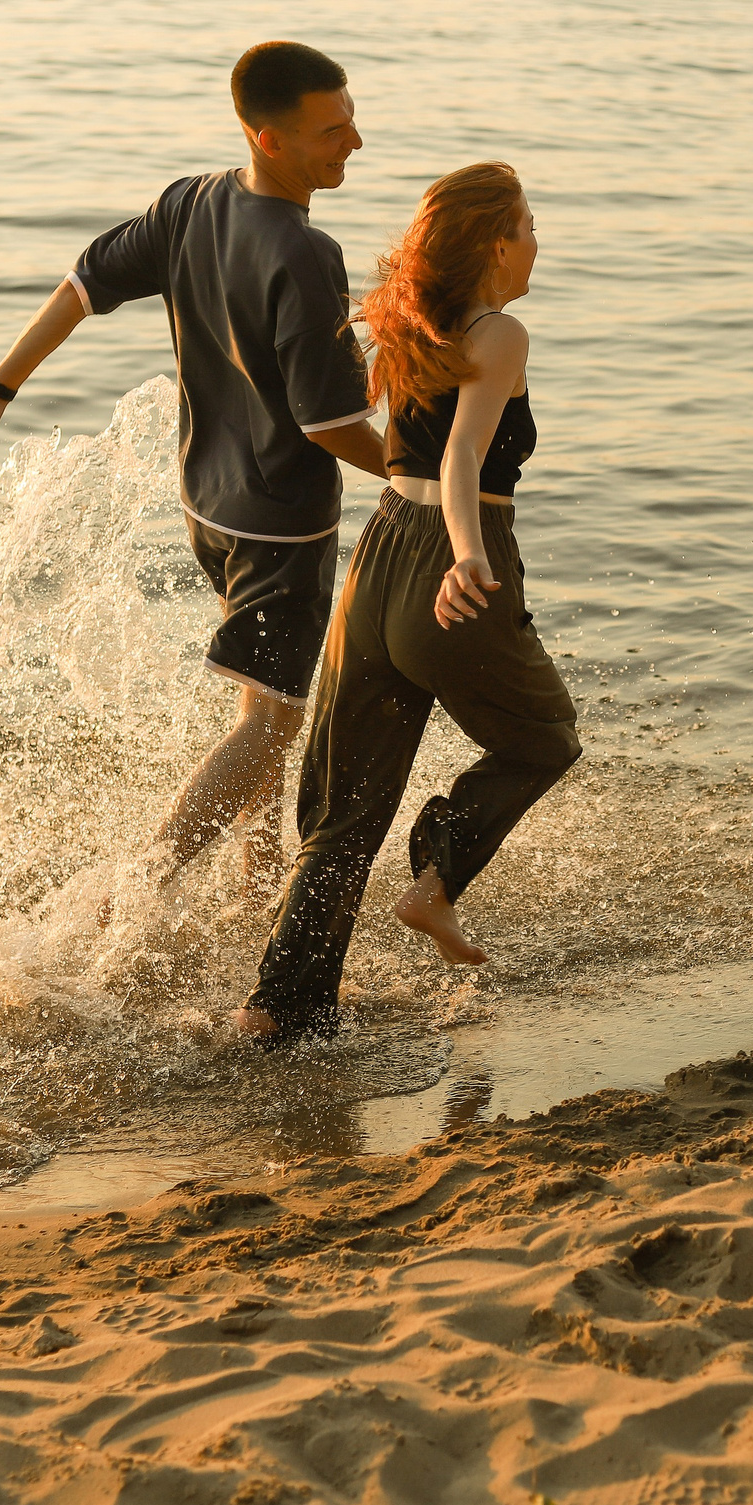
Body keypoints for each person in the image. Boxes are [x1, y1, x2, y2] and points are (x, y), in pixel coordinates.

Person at [0, 42, 389, 894]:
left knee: (264, 701)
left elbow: (82, 282)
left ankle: (257, 880)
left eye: (352, 116)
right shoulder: (306, 253)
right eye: (333, 129)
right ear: (268, 138)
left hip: (207, 506)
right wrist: (417, 472)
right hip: (281, 523)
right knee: (272, 723)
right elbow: (327, 423)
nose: (354, 141)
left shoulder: (191, 203)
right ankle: (149, 880)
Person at [237, 162, 580, 1044]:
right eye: (531, 224)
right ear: (496, 245)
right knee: (544, 738)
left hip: (378, 556)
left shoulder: (406, 327)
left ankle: (281, 1009)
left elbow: (388, 445)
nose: (539, 239)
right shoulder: (500, 332)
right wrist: (467, 557)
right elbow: (464, 457)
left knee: (343, 810)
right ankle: (435, 879)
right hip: (447, 565)